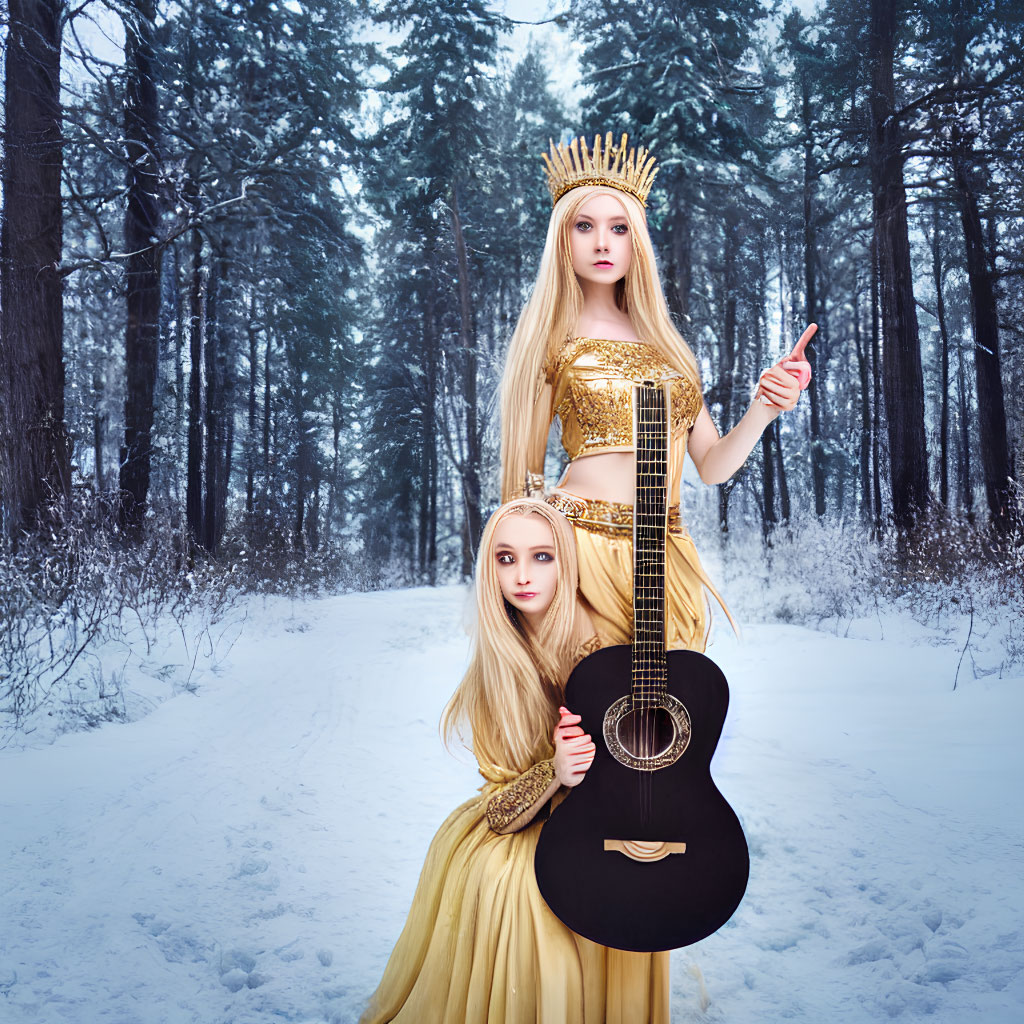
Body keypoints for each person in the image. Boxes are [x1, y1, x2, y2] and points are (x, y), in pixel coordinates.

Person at [500, 131, 815, 652]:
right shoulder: (549, 341)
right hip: (579, 550)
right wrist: (531, 579)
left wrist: (763, 408)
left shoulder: (670, 350)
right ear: (564, 238)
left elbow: (711, 466)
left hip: (664, 554)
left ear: (635, 241)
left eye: (618, 228)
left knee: (661, 725)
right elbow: (523, 484)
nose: (602, 242)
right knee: (587, 709)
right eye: (585, 226)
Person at [360, 499, 671, 1024]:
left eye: (542, 556)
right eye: (506, 559)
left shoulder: (617, 639)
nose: (523, 576)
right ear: (490, 569)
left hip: (618, 809)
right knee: (517, 886)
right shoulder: (496, 665)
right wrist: (556, 770)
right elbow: (500, 810)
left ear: (566, 561)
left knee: (641, 869)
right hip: (532, 818)